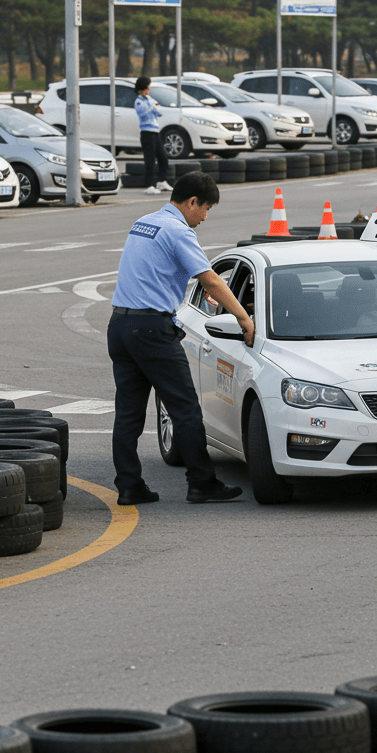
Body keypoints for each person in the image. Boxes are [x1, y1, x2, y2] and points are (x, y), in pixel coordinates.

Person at [107, 171, 254, 506]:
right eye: (205, 210)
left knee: (128, 412)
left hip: (120, 325)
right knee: (185, 408)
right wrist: (243, 318)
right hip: (151, 331)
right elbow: (212, 279)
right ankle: (202, 482)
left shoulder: (145, 222)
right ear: (191, 202)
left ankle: (129, 486)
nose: (204, 218)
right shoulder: (178, 230)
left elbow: (154, 271)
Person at [135, 76, 171, 195]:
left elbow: (158, 111)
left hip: (156, 131)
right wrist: (152, 107)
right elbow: (144, 113)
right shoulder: (139, 101)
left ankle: (162, 180)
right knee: (150, 159)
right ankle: (150, 185)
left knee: (163, 157)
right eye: (147, 87)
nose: (149, 89)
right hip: (147, 132)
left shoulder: (149, 99)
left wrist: (153, 107)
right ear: (142, 88)